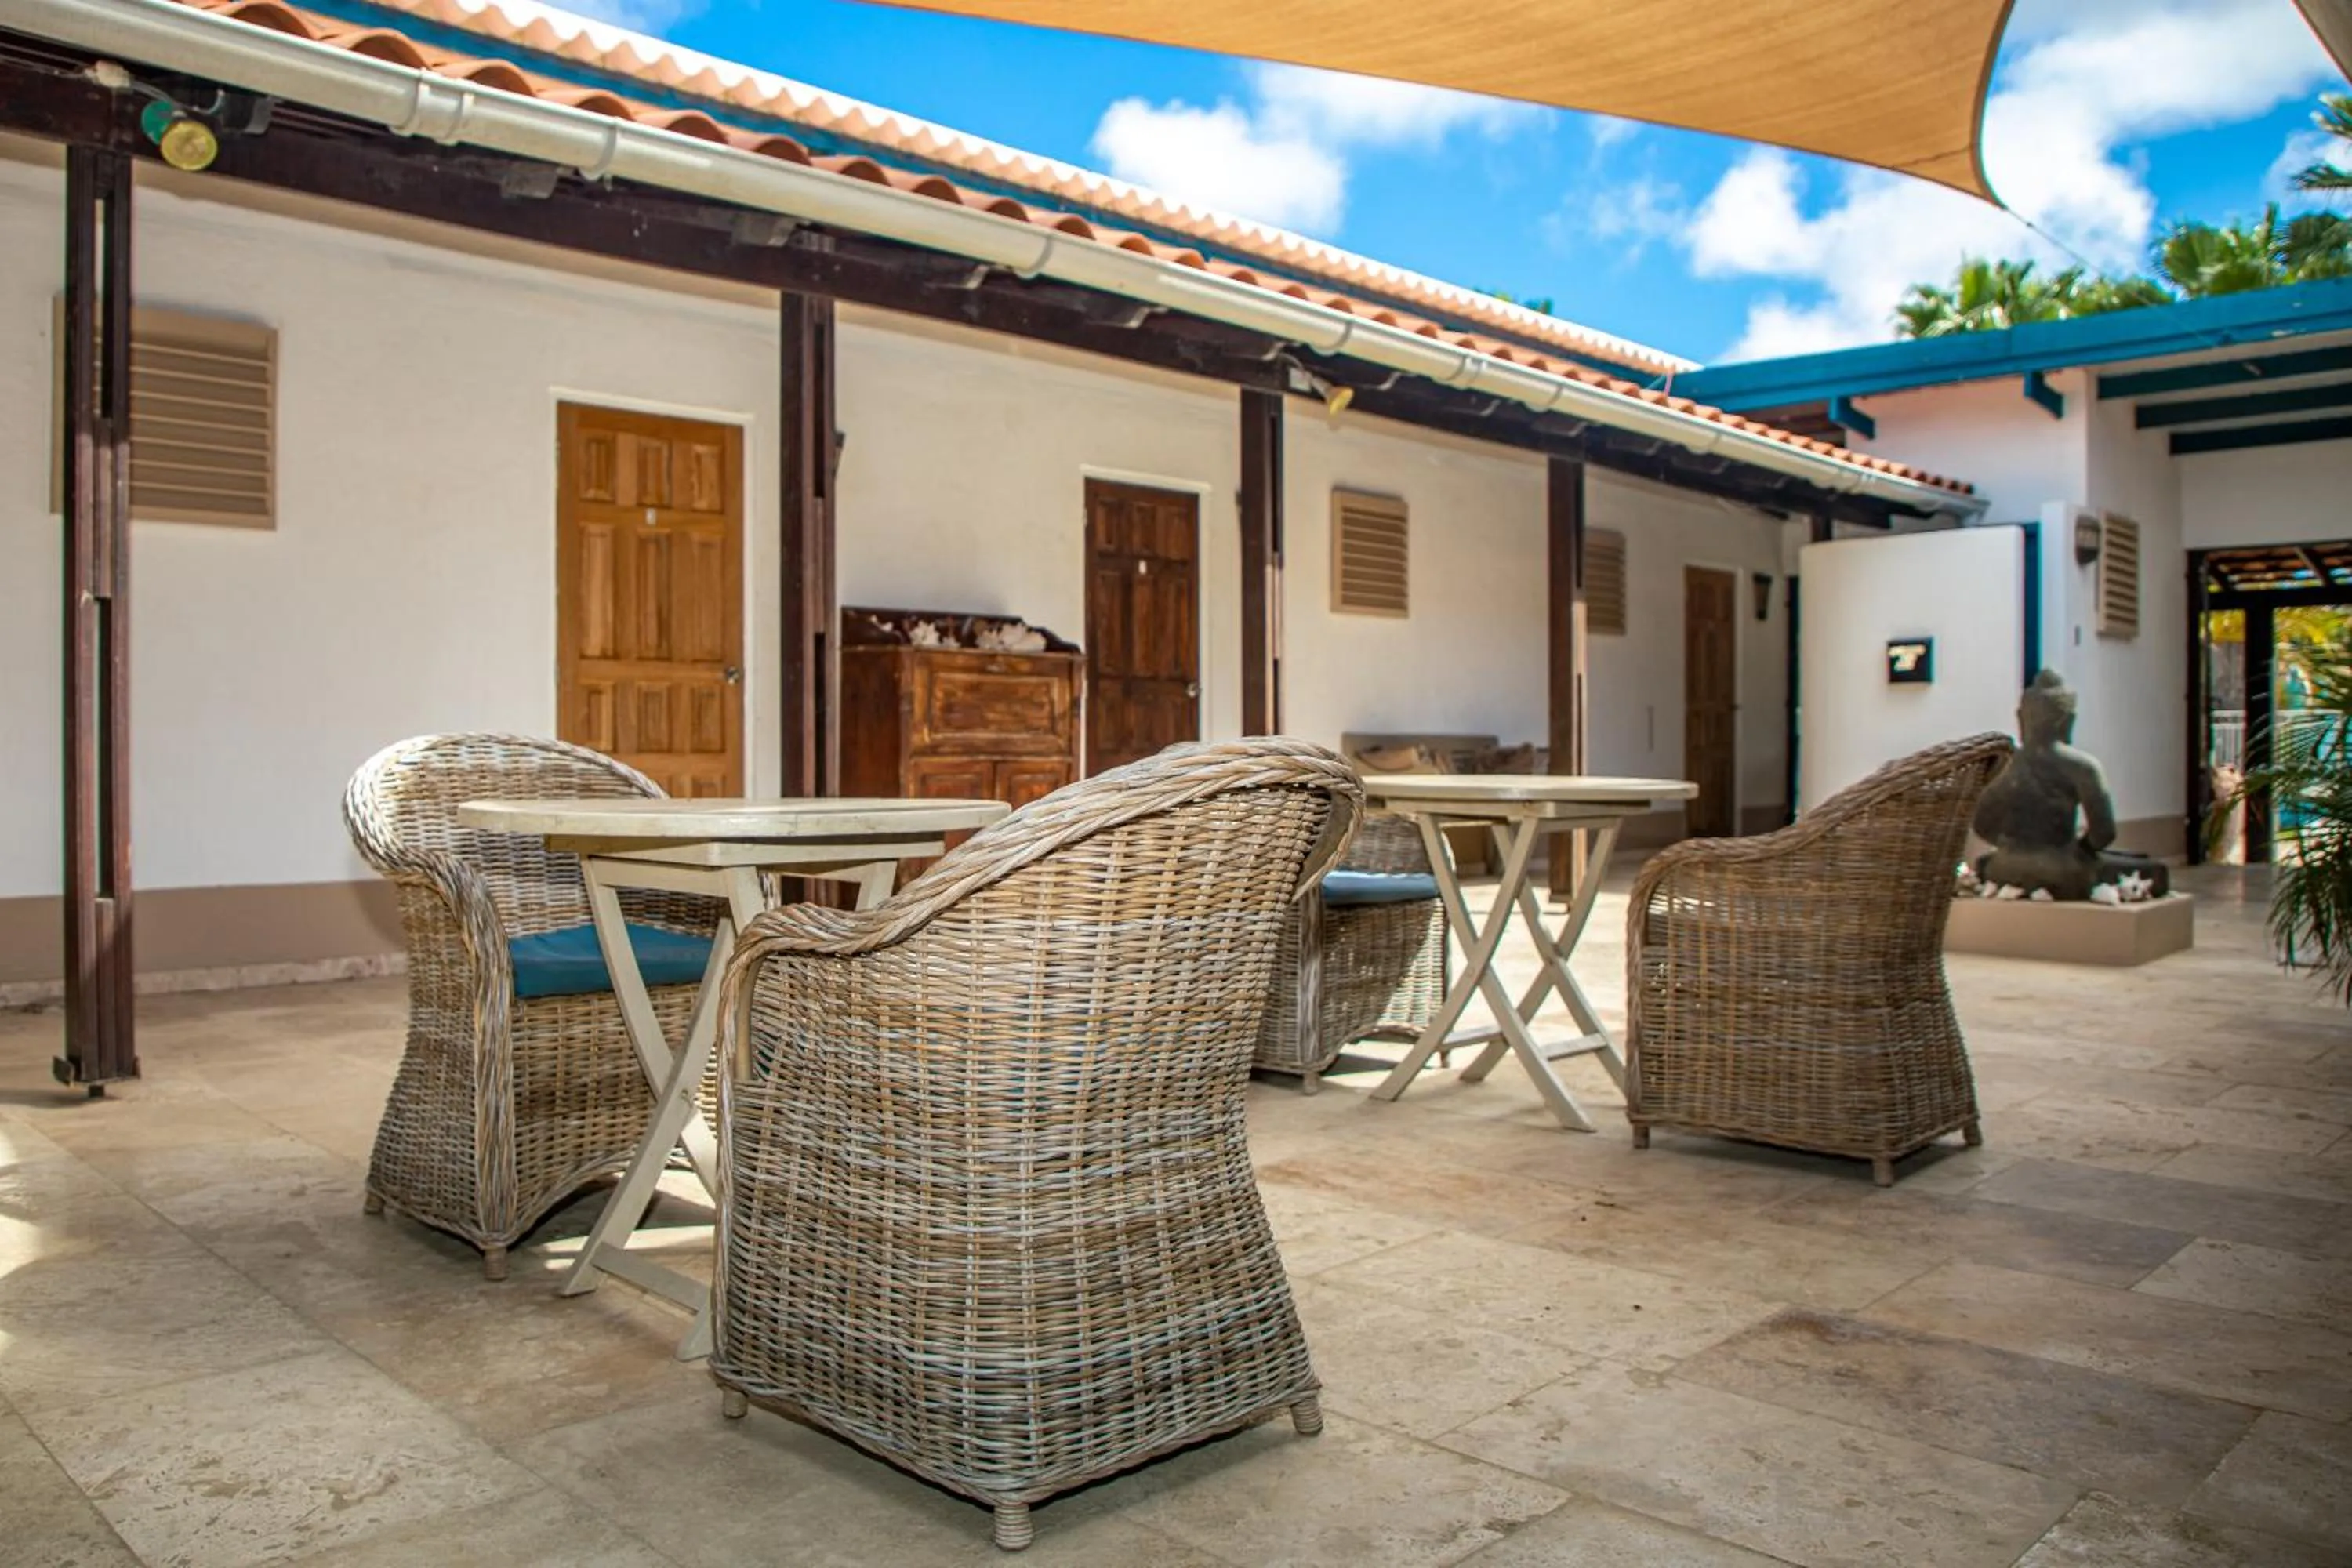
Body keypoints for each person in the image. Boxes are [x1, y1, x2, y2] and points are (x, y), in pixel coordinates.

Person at [1973, 670, 2170, 900]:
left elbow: (1981, 824)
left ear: (2021, 718)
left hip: (2003, 867)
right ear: (2067, 721)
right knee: (2153, 870)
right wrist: (2078, 849)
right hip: (2063, 871)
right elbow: (2103, 833)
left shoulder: (2005, 764)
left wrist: (2012, 846)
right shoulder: (2082, 767)